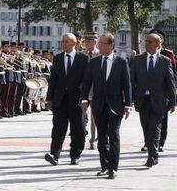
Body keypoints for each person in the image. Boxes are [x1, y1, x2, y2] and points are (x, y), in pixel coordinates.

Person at [81, 33, 132, 179]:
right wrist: (84, 99)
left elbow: (126, 85)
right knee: (102, 137)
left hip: (116, 106)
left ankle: (113, 168)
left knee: (114, 135)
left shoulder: (121, 62)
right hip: (99, 105)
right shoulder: (94, 62)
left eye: (103, 43)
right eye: (100, 43)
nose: (100, 45)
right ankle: (104, 165)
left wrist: (128, 104)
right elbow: (87, 83)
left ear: (112, 45)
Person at [131, 33, 176, 167]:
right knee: (146, 129)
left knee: (154, 128)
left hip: (159, 101)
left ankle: (152, 156)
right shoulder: (138, 60)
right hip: (142, 100)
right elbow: (130, 81)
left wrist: (173, 102)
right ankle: (152, 152)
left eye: (150, 42)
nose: (146, 44)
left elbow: (170, 83)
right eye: (146, 41)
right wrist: (129, 99)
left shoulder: (165, 61)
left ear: (158, 45)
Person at [44, 33, 89, 166]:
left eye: (66, 42)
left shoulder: (83, 59)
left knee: (78, 130)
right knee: (58, 128)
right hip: (60, 100)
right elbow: (53, 80)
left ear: (74, 44)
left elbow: (86, 81)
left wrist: (84, 99)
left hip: (77, 101)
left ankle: (75, 155)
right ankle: (54, 154)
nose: (63, 44)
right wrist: (50, 98)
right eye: (62, 42)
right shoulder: (57, 58)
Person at [148, 29, 176, 153]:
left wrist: (173, 96)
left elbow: (173, 75)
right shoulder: (147, 54)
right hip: (148, 94)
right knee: (149, 121)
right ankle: (149, 142)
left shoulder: (168, 54)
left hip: (163, 93)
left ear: (161, 41)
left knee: (163, 120)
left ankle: (160, 143)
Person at [83, 30, 100, 150]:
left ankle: (93, 139)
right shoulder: (81, 55)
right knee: (82, 116)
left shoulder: (100, 54)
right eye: (87, 41)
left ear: (96, 42)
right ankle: (81, 135)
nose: (89, 43)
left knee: (94, 116)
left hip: (96, 89)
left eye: (92, 41)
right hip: (83, 90)